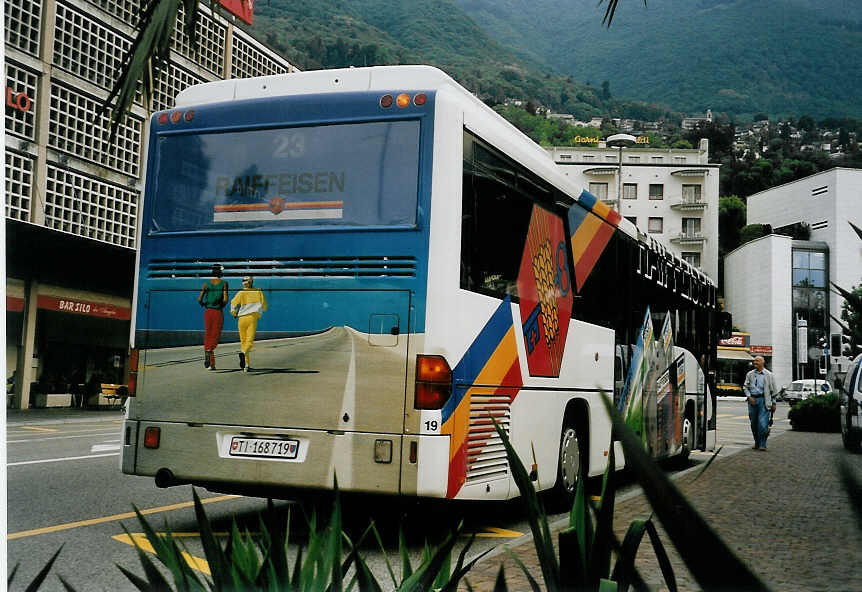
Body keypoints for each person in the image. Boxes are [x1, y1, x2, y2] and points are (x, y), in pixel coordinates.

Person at [230, 276, 268, 372]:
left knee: (243, 342)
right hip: (252, 318)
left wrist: (234, 313)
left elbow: (233, 303)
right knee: (249, 341)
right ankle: (243, 354)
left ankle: (246, 366)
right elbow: (264, 305)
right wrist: (259, 311)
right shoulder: (258, 291)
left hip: (241, 319)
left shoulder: (241, 292)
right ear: (252, 282)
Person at [743, 355, 778, 450]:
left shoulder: (769, 375)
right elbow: (745, 386)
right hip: (752, 401)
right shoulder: (750, 374)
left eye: (757, 361)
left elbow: (773, 391)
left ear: (763, 362)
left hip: (764, 400)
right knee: (753, 423)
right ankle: (757, 442)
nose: (755, 363)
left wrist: (774, 403)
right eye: (754, 361)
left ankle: (763, 444)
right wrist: (749, 397)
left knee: (763, 424)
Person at [198, 264, 229, 370]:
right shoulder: (224, 283)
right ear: (221, 273)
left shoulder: (206, 284)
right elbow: (225, 300)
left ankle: (211, 364)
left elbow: (199, 299)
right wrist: (220, 306)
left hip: (208, 312)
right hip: (217, 312)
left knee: (208, 334)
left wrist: (205, 304)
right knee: (215, 335)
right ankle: (209, 350)